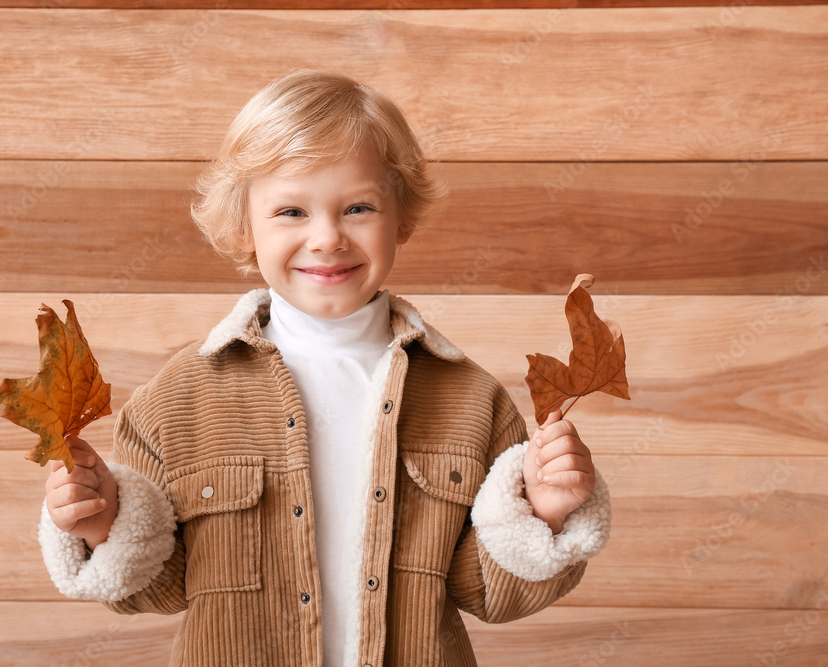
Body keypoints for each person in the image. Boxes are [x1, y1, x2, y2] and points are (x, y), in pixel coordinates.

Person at [38, 68, 611, 667]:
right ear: (244, 226)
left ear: (403, 219)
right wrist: (103, 525)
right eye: (290, 212)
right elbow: (162, 586)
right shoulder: (178, 400)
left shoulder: (470, 399)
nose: (327, 238)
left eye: (357, 207)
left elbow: (486, 592)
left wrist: (544, 510)